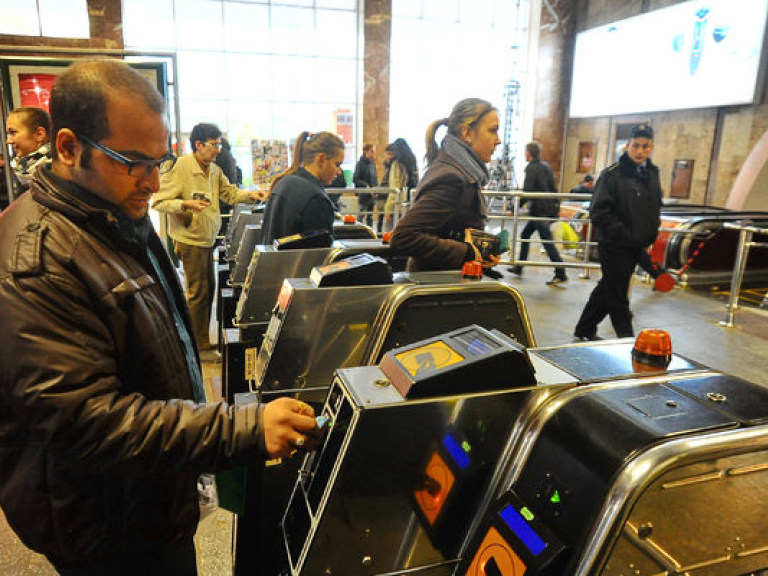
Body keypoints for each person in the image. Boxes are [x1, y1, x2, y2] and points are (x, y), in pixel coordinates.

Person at [0, 59, 320, 576]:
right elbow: (88, 422)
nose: (151, 181)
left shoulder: (112, 213)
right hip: (104, 525)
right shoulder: (36, 262)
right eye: (131, 161)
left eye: (160, 159)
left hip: (146, 492)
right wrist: (239, 429)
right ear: (67, 147)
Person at [153, 123, 263, 359]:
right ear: (198, 145)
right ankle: (198, 346)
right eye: (214, 145)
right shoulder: (182, 167)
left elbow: (230, 193)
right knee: (198, 293)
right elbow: (159, 201)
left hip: (206, 239)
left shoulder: (212, 170)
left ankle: (200, 340)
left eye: (219, 145)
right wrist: (185, 205)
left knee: (207, 290)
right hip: (190, 239)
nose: (218, 150)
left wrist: (252, 196)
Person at [573, 123, 663, 340]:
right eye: (635, 146)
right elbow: (599, 213)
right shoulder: (611, 175)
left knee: (609, 288)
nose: (640, 151)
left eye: (645, 146)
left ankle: (584, 329)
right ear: (627, 146)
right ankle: (628, 341)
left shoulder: (652, 174)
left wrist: (649, 235)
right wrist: (625, 235)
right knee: (618, 295)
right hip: (614, 245)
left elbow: (654, 207)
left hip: (636, 245)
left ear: (651, 147)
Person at [390, 98, 502, 272]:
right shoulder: (453, 178)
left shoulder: (461, 171)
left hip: (444, 283)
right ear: (467, 133)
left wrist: (481, 249)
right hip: (436, 289)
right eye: (492, 131)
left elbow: (448, 229)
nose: (498, 140)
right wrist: (468, 252)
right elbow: (404, 237)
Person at [259, 131, 344, 244]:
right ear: (321, 159)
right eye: (337, 164)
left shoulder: (283, 182)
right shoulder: (316, 199)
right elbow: (321, 254)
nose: (338, 172)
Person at [508, 141, 568, 285]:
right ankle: (519, 267)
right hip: (547, 208)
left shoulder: (531, 168)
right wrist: (557, 206)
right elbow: (553, 188)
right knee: (525, 235)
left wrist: (514, 208)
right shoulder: (546, 167)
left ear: (528, 153)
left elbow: (527, 192)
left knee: (547, 242)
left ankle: (561, 273)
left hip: (539, 211)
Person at [5, 105, 52, 198]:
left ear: (39, 135)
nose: (8, 141)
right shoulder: (23, 171)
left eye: (13, 132)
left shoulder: (59, 172)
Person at [381, 138, 419, 233]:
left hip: (396, 205)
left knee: (388, 233)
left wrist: (388, 209)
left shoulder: (396, 164)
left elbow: (395, 187)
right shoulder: (412, 163)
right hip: (409, 205)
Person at [353, 143, 378, 226]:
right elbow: (355, 179)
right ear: (365, 151)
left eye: (374, 151)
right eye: (372, 151)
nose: (373, 154)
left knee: (370, 217)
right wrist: (366, 186)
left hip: (372, 194)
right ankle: (358, 233)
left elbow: (375, 178)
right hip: (363, 194)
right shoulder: (359, 164)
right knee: (361, 215)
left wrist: (376, 190)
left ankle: (369, 233)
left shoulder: (372, 164)